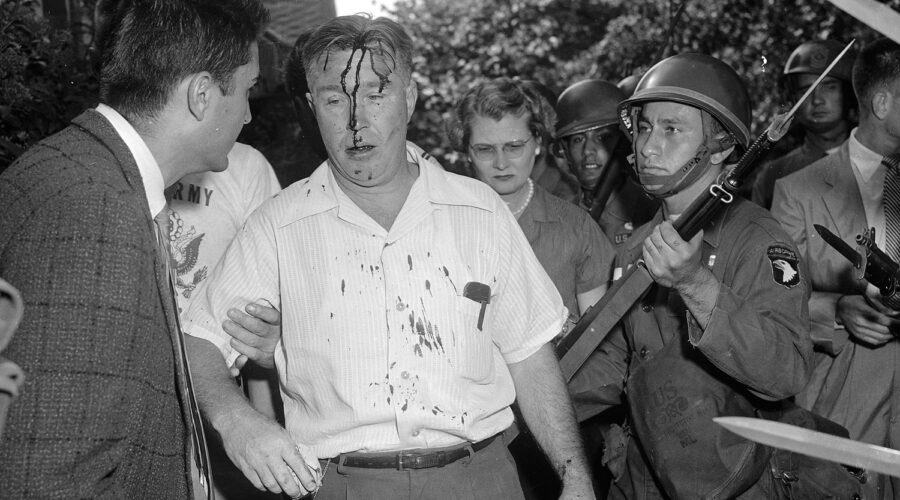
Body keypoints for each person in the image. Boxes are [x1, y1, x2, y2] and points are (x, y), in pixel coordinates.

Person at [182, 14, 594, 500]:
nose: (356, 121)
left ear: (410, 98)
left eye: (376, 95)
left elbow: (531, 358)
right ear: (313, 107)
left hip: (480, 479)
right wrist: (238, 422)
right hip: (342, 485)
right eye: (335, 100)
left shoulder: (480, 212)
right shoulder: (278, 225)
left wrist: (576, 479)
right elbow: (199, 339)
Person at [0, 0, 269, 497]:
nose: (249, 116)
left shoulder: (83, 172)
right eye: (247, 90)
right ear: (202, 95)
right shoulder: (96, 211)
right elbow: (49, 478)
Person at [569, 53, 813, 499]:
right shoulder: (635, 247)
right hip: (643, 479)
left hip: (733, 479)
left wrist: (695, 283)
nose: (647, 147)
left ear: (720, 147)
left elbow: (786, 374)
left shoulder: (758, 242)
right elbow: (617, 366)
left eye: (672, 130)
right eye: (644, 127)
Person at [448, 77, 616, 498]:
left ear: (538, 142)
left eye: (515, 146)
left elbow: (600, 348)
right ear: (466, 151)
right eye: (485, 149)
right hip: (471, 436)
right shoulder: (444, 227)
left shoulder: (575, 227)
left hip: (562, 427)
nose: (501, 162)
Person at [771, 37, 900, 500]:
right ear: (882, 104)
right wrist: (837, 310)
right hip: (841, 406)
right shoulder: (796, 191)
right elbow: (772, 302)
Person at [751, 39, 857, 209]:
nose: (817, 100)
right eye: (805, 91)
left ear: (849, 93)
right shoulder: (772, 177)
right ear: (793, 99)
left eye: (829, 87)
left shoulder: (883, 162)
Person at [554, 79, 658, 247]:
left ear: (625, 143)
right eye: (578, 139)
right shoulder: (559, 217)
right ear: (565, 151)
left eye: (602, 137)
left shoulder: (651, 211)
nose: (588, 150)